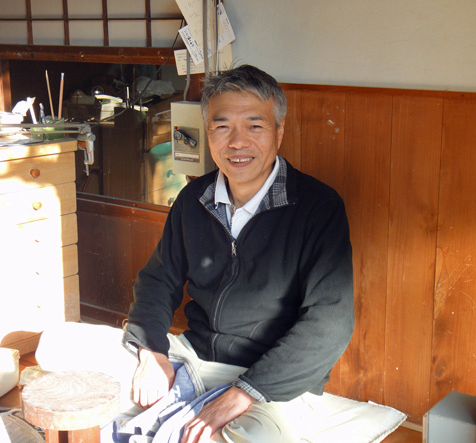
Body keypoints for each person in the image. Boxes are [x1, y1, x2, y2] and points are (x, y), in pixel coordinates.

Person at [123, 64, 354, 443]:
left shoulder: (318, 207)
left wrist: (241, 394)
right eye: (223, 125)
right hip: (196, 358)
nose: (237, 142)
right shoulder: (193, 199)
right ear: (209, 133)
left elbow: (330, 323)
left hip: (273, 382)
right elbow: (158, 278)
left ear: (279, 131)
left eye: (254, 126)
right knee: (63, 348)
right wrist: (152, 351)